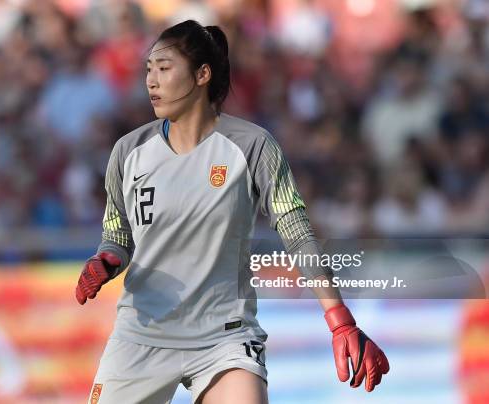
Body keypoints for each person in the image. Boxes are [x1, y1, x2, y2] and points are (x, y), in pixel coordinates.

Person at [76, 20, 389, 404]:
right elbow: (118, 235)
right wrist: (106, 260)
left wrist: (339, 320)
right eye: (148, 69)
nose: (151, 81)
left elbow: (297, 232)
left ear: (202, 74)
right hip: (141, 335)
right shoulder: (128, 151)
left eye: (164, 67)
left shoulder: (252, 146)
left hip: (224, 335)